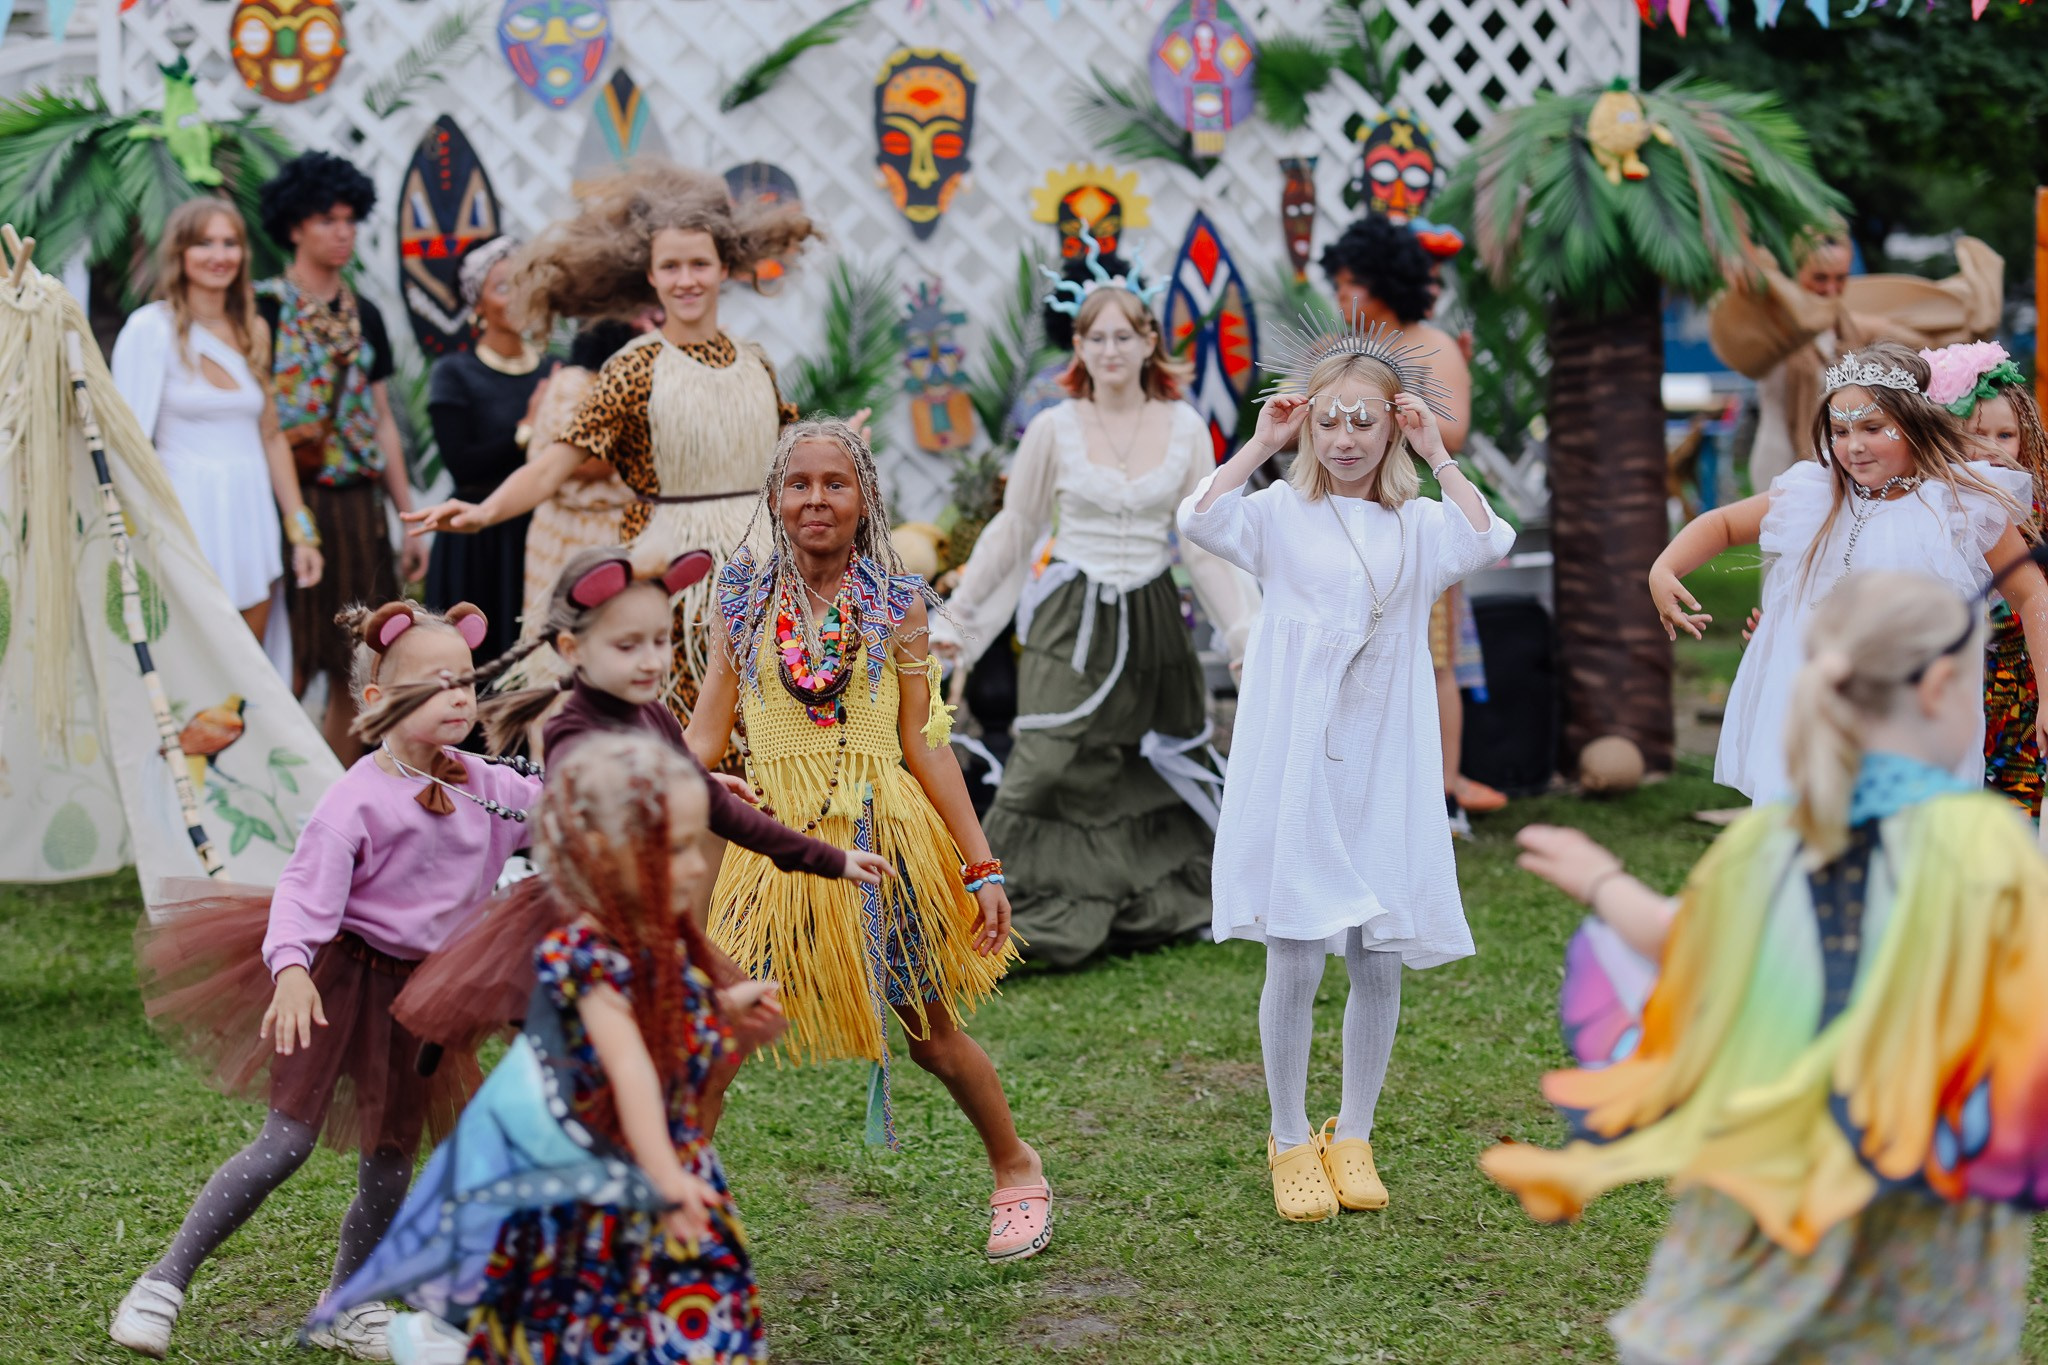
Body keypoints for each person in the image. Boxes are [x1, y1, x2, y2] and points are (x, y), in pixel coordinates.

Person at [1484, 570, 2048, 1363]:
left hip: (1766, 1183)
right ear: (1945, 686)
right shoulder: (1989, 842)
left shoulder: (1769, 837)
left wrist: (1602, 881)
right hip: (1925, 1206)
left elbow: (1683, 942)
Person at [110, 602, 541, 1362]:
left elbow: (583, 801)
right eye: (437, 683)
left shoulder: (493, 786)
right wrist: (294, 973)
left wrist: (697, 787)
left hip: (424, 999)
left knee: (391, 1154)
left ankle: (351, 1302)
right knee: (287, 1141)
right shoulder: (357, 798)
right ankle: (162, 1281)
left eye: (467, 682)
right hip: (338, 981)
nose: (459, 697)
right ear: (377, 702)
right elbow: (303, 896)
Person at [688, 418, 1050, 1263]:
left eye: (835, 483)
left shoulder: (897, 602)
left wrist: (980, 865)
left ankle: (1015, 1166)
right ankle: (680, 1208)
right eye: (799, 483)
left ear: (866, 498)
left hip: (883, 838)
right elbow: (706, 733)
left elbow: (926, 743)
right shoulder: (739, 599)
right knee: (725, 1026)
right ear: (775, 498)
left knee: (930, 1032)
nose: (817, 499)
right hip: (773, 845)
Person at [1178, 318, 1516, 1221]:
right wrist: (1261, 440)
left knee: (1377, 949)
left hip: (1385, 755)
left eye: (1366, 422)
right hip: (1300, 755)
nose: (1347, 438)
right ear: (1311, 423)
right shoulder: (1281, 516)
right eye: (1331, 420)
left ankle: (1354, 1130)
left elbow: (1493, 539)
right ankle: (1290, 1135)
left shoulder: (1422, 524)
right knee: (1294, 951)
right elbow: (1197, 516)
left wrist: (1437, 453)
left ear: (1391, 426)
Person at [305, 734, 783, 1365]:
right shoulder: (586, 955)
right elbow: (630, 1062)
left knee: (665, 1314)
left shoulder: (653, 938)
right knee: (601, 1321)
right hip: (606, 1172)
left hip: (649, 1161)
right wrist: (666, 1176)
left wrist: (722, 1008)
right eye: (675, 851)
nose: (698, 867)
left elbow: (659, 1015)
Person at [387, 546, 895, 1063]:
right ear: (573, 648)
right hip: (589, 916)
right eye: (628, 646)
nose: (652, 660)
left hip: (646, 912)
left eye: (659, 641)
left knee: (652, 1053)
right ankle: (475, 1017)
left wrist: (831, 859)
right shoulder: (572, 733)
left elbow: (723, 814)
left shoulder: (655, 715)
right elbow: (580, 834)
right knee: (589, 1054)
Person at [404, 164, 827, 735]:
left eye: (699, 264)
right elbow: (555, 462)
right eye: (670, 266)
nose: (686, 280)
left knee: (771, 736)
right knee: (683, 742)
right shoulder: (634, 367)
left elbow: (785, 460)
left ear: (723, 268)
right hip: (672, 572)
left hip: (761, 570)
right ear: (650, 277)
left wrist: (835, 453)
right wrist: (482, 512)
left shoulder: (757, 362)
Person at [930, 253, 1259, 969]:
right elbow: (1015, 530)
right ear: (1078, 349)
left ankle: (1153, 901)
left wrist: (1244, 629)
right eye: (1096, 338)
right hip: (1070, 618)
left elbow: (1202, 545)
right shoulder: (1054, 427)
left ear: (1149, 343)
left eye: (1125, 336)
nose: (1111, 351)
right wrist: (957, 622)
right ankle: (996, 912)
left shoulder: (1183, 425)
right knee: (1045, 763)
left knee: (1155, 756)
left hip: (1151, 616)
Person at [1650, 341, 2048, 805]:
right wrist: (1666, 566)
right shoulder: (1813, 494)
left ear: (1914, 425)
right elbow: (1721, 524)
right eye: (1840, 431)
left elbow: (2032, 595)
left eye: (1873, 428)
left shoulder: (1960, 506)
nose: (1853, 445)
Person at [1321, 213, 1506, 831]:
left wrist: (1383, 402)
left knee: (1435, 658)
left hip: (1415, 526)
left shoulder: (1430, 345)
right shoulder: (1338, 349)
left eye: (1351, 283)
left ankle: (1444, 794)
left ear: (1382, 283)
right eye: (1338, 284)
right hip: (1345, 525)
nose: (1341, 298)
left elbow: (1453, 429)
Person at [256, 151, 429, 763]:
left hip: (358, 506)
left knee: (354, 657)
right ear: (294, 224)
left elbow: (381, 420)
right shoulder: (264, 309)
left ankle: (338, 796)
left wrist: (407, 514)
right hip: (289, 502)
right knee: (288, 655)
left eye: (351, 219)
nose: (342, 231)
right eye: (328, 219)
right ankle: (263, 789)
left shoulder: (368, 315)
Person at [111, 196, 323, 679]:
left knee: (248, 674)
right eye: (204, 243)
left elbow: (271, 436)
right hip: (185, 515)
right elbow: (127, 441)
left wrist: (301, 533)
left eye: (230, 243)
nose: (219, 255)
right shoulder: (150, 330)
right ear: (180, 253)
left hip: (251, 518)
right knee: (188, 669)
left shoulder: (253, 329)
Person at [1709, 225, 2004, 492]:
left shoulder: (1850, 326)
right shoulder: (1772, 325)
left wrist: (1968, 320)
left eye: (1841, 278)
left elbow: (1924, 337)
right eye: (1820, 278)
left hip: (1841, 455)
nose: (1831, 289)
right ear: (1795, 273)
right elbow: (1741, 270)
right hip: (1781, 451)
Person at [1921, 341, 2048, 816]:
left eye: (2005, 436)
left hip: (2019, 703)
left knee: (2013, 827)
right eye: (1975, 435)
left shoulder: (2037, 516)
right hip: (1941, 706)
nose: (1991, 451)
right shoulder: (1923, 519)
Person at [422, 236, 551, 664]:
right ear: (477, 302)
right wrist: (527, 429)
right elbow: (462, 464)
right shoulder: (454, 373)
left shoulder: (556, 369)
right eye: (502, 287)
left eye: (523, 284)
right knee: (474, 665)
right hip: (477, 540)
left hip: (540, 535)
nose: (516, 297)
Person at [512, 319, 644, 673]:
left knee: (617, 643)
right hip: (572, 532)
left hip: (619, 527)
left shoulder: (637, 381)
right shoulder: (573, 383)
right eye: (646, 320)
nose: (653, 327)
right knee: (569, 646)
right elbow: (590, 460)